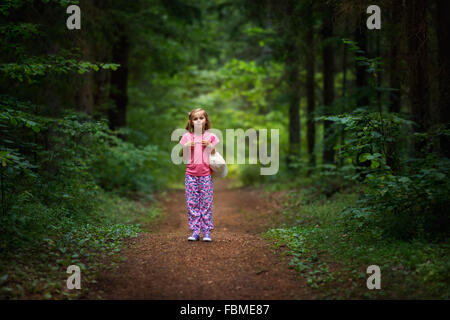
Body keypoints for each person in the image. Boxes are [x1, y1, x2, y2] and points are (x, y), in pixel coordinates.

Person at [179, 108, 219, 242]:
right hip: (191, 174)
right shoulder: (187, 137)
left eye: (201, 118)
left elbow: (214, 155)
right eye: (195, 119)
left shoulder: (211, 137)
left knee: (206, 203)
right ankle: (195, 231)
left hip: (206, 175)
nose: (198, 121)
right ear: (190, 122)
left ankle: (206, 231)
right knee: (192, 203)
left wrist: (210, 146)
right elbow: (182, 156)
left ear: (206, 120)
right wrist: (185, 147)